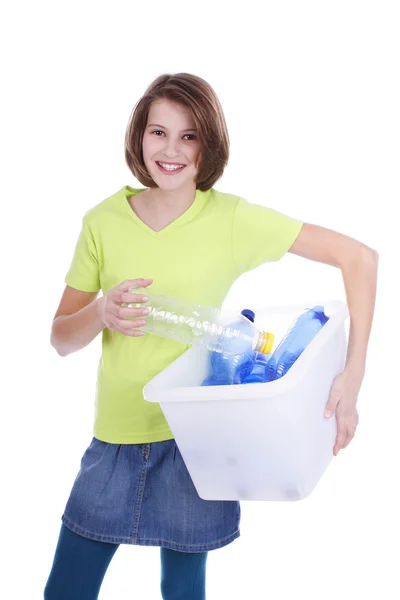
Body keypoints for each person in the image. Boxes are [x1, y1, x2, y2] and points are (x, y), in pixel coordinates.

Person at [44, 73, 378, 599]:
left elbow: (359, 258)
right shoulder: (102, 222)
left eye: (189, 136)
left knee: (182, 592)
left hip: (196, 440)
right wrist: (102, 312)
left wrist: (353, 374)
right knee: (65, 591)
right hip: (114, 440)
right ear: (139, 137)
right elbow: (61, 338)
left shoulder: (231, 220)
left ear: (209, 145)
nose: (171, 150)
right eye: (158, 132)